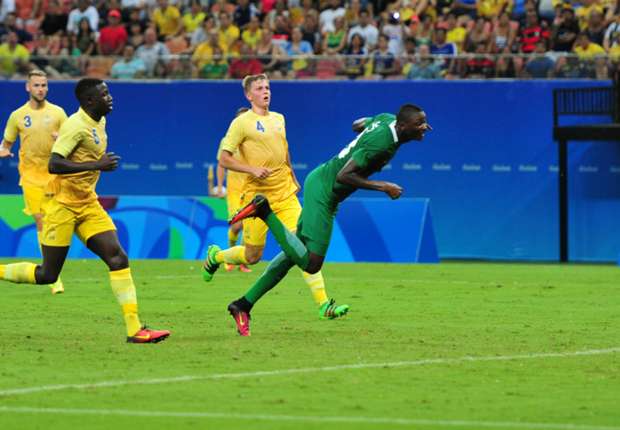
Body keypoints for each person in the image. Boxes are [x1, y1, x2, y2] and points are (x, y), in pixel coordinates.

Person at [225, 104, 431, 336]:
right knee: (312, 263)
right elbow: (345, 174)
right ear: (403, 126)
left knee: (291, 256)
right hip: (325, 192)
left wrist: (367, 131)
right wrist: (384, 186)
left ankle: (243, 304)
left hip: (324, 186)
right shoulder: (381, 144)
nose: (425, 127)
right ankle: (264, 211)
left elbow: (358, 124)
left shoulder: (386, 119)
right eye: (420, 124)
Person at [0, 78, 170, 344]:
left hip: (88, 203)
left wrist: (94, 166)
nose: (110, 97)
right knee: (48, 275)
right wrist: (96, 165)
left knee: (117, 258)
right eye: (104, 94)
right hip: (62, 206)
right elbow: (54, 164)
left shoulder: (98, 121)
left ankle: (135, 329)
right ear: (90, 101)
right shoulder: (75, 127)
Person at [203, 74, 349, 322]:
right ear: (249, 95)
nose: (265, 91)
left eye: (267, 87)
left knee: (303, 247)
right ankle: (216, 256)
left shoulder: (280, 119)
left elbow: (284, 149)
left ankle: (324, 304)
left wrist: (291, 174)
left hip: (284, 194)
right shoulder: (241, 123)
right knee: (253, 256)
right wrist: (252, 170)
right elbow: (224, 159)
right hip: (257, 199)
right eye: (259, 88)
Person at [1, 70, 67, 295]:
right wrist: (3, 151)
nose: (41, 89)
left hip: (54, 175)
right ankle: (53, 276)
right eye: (37, 85)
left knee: (53, 222)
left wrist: (63, 139)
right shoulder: (17, 116)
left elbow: (72, 139)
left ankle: (51, 268)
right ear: (27, 88)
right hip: (30, 176)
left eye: (44, 85)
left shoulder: (58, 113)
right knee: (40, 220)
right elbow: (6, 144)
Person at [215, 107, 252, 273]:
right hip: (234, 190)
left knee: (249, 226)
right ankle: (229, 255)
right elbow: (221, 163)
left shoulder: (254, 141)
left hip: (250, 188)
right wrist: (220, 185)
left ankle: (243, 262)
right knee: (237, 226)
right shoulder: (227, 141)